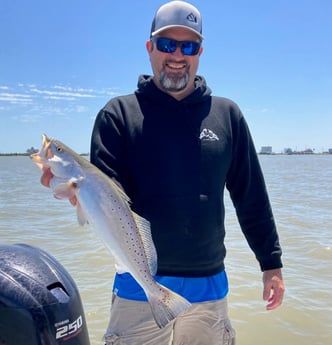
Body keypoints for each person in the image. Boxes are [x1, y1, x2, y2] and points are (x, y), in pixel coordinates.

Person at [41, 1, 285, 344]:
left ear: (200, 52)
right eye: (167, 44)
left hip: (209, 289)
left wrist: (270, 263)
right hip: (138, 286)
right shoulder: (118, 115)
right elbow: (108, 200)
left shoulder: (227, 116)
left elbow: (252, 197)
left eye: (189, 46)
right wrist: (75, 194)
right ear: (150, 48)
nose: (177, 55)